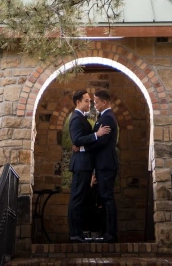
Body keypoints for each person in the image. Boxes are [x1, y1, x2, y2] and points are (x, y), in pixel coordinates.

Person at [68, 89, 110, 243]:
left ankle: (78, 233)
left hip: (85, 165)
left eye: (90, 101)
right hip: (80, 165)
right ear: (78, 102)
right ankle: (75, 234)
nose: (89, 103)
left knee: (80, 199)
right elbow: (77, 140)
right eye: (86, 100)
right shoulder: (76, 118)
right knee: (77, 199)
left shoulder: (81, 118)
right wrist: (96, 135)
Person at [91, 89, 119, 243]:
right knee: (105, 197)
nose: (94, 105)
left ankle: (111, 234)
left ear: (105, 102)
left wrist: (84, 146)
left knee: (107, 198)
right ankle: (108, 232)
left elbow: (101, 141)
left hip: (106, 164)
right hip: (103, 164)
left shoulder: (107, 118)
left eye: (96, 102)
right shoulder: (103, 117)